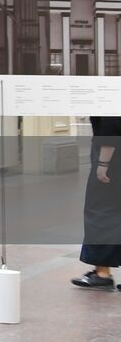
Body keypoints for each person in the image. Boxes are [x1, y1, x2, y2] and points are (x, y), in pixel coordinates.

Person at [74, 116, 121, 289]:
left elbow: (111, 127)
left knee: (100, 211)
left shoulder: (108, 92)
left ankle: (102, 273)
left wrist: (103, 163)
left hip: (113, 157)